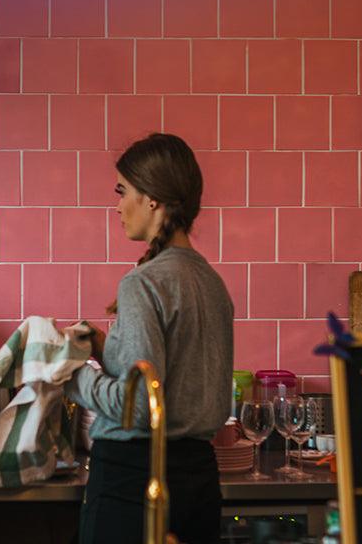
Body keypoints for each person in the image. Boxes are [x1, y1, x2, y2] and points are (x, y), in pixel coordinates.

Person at [67, 133, 234, 544]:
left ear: (153, 199)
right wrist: (104, 347)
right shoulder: (211, 283)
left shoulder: (143, 283)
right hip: (198, 481)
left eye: (124, 191)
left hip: (134, 480)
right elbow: (169, 377)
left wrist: (71, 375)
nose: (118, 205)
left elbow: (141, 406)